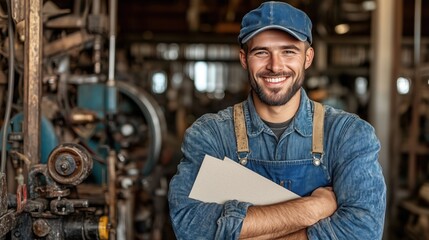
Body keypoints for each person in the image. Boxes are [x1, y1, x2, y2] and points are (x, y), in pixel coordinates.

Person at [168, 1, 386, 239]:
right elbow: (190, 227)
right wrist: (311, 209)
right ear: (243, 59)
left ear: (308, 57)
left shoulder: (348, 135)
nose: (275, 66)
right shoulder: (211, 135)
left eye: (288, 51)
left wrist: (246, 231)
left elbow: (363, 231)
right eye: (261, 52)